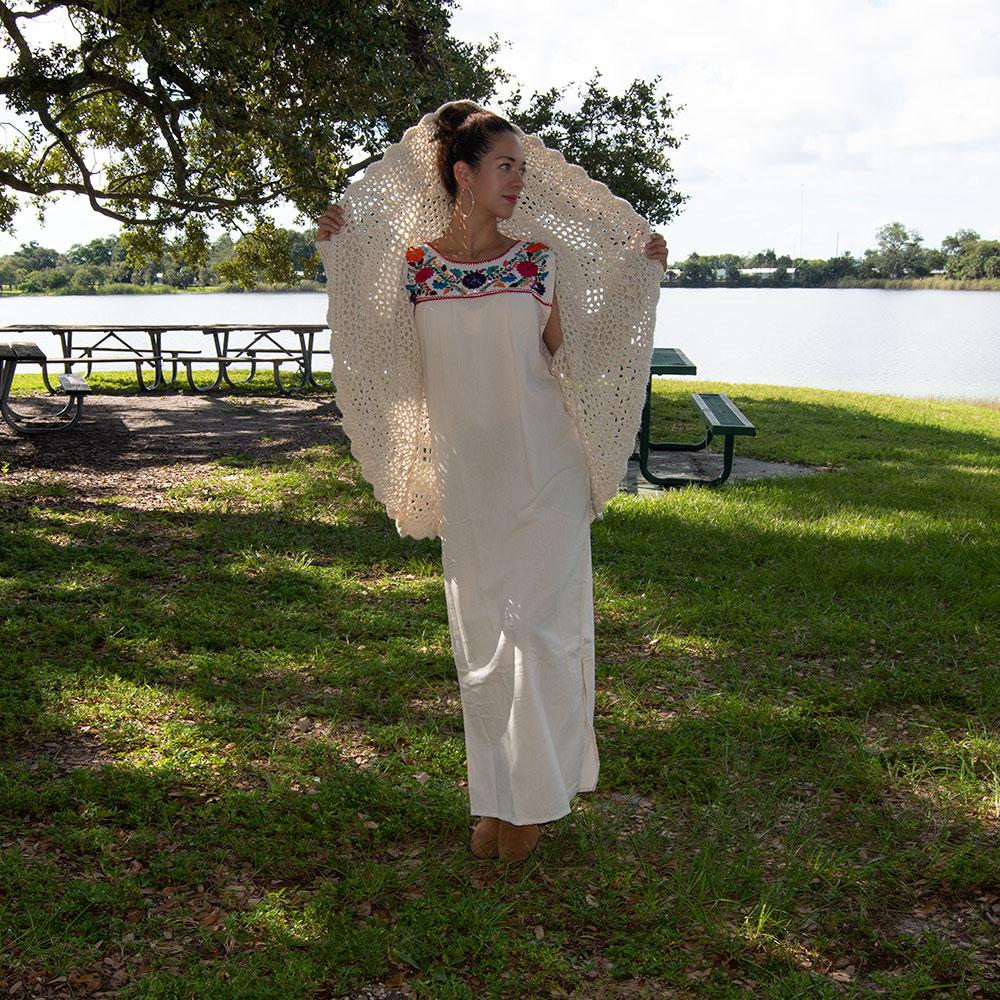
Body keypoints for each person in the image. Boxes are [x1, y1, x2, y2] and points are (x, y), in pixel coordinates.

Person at [315, 100, 667, 864]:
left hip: (546, 478)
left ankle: (531, 808)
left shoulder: (537, 259)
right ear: (462, 174)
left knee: (540, 639)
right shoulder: (414, 266)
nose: (517, 179)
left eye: (522, 168)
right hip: (471, 487)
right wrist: (341, 253)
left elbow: (586, 350)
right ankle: (497, 799)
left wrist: (640, 271)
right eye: (505, 166)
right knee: (483, 650)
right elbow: (372, 348)